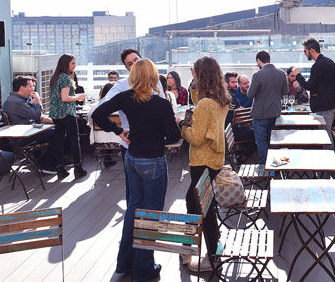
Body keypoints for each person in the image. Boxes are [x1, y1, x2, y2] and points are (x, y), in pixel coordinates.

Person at [93, 59, 180, 282]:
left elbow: (97, 114)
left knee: (133, 208)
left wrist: (118, 131)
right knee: (150, 214)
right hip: (153, 161)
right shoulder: (161, 104)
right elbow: (173, 136)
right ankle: (144, 269)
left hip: (131, 158)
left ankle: (124, 264)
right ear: (153, 76)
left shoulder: (125, 97)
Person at [180, 56, 230, 273]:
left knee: (201, 206)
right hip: (215, 160)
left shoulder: (205, 105)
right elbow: (199, 103)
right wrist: (195, 83)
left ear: (201, 76)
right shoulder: (220, 98)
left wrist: (183, 124)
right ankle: (190, 248)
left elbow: (195, 137)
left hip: (202, 161)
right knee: (197, 203)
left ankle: (211, 256)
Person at [100, 48, 165, 205]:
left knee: (153, 197)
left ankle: (144, 221)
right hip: (130, 145)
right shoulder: (122, 86)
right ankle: (135, 221)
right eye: (130, 63)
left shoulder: (156, 83)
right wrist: (117, 129)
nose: (135, 65)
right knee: (134, 197)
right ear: (127, 68)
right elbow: (99, 108)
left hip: (154, 146)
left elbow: (164, 111)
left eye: (136, 60)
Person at [290, 37, 335, 148]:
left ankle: (330, 157)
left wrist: (298, 75)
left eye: (305, 51)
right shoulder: (328, 62)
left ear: (312, 50)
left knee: (325, 135)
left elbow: (309, 86)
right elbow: (323, 85)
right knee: (324, 133)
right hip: (332, 104)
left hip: (326, 106)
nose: (304, 54)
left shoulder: (318, 65)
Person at [3, 75, 57, 174]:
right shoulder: (16, 102)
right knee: (56, 133)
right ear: (22, 88)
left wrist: (34, 104)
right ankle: (47, 165)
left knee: (57, 128)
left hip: (29, 130)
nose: (33, 89)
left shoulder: (18, 99)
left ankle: (56, 161)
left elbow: (33, 115)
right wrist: (37, 102)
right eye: (30, 87)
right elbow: (36, 115)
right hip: (23, 137)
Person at [48, 54, 88, 179]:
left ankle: (60, 168)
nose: (75, 66)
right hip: (67, 113)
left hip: (55, 113)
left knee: (59, 140)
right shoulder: (65, 77)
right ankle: (78, 168)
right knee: (74, 140)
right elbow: (65, 98)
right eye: (73, 63)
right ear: (66, 64)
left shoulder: (55, 77)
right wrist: (79, 97)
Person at [247, 50, 288, 164]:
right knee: (274, 140)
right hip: (275, 113)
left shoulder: (258, 75)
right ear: (269, 59)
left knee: (261, 141)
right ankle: (275, 164)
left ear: (258, 61)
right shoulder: (281, 73)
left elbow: (250, 95)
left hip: (260, 114)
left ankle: (264, 165)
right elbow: (285, 92)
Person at [87, 82, 118, 168]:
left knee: (106, 135)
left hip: (98, 140)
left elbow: (90, 123)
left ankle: (107, 158)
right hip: (118, 140)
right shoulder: (119, 107)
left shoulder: (94, 107)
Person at [225, 72, 255, 162]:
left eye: (235, 82)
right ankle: (244, 154)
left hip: (229, 131)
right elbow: (242, 120)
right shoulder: (231, 98)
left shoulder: (227, 96)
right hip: (232, 132)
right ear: (226, 83)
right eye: (232, 82)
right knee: (259, 133)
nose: (235, 84)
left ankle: (241, 152)